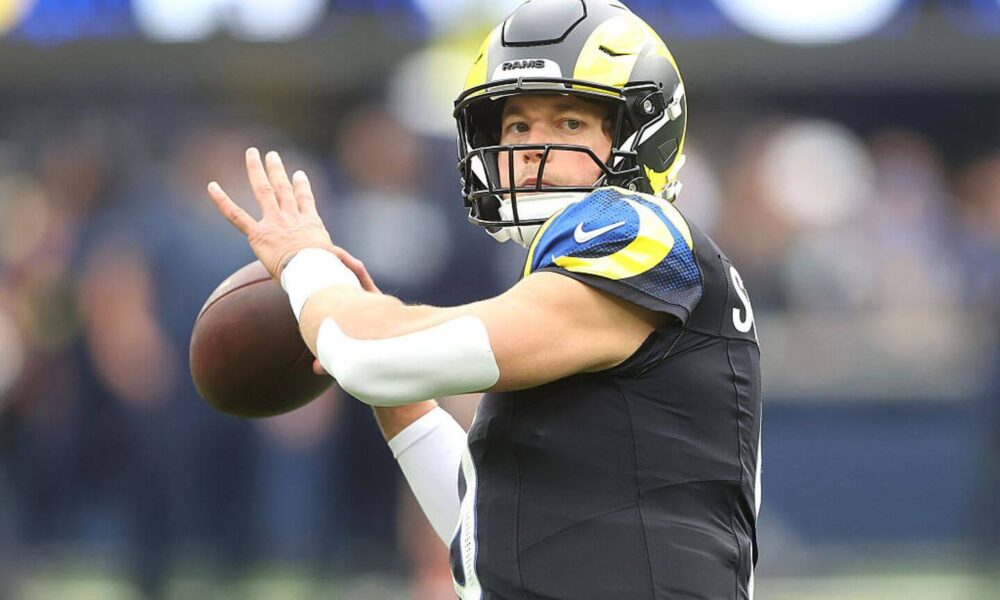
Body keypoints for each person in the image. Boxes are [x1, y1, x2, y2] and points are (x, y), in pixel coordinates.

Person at [206, 1, 762, 598]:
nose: (532, 148)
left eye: (569, 123)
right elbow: (485, 532)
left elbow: (369, 356)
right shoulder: (565, 281)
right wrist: (396, 391)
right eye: (517, 126)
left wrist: (305, 263)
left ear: (639, 134)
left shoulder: (638, 230)